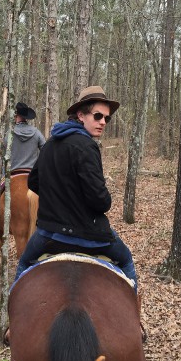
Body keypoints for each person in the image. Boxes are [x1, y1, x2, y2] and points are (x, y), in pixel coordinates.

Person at [16, 86, 138, 292]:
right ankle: (134, 318)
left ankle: (11, 321)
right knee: (126, 261)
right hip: (89, 235)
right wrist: (105, 198)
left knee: (22, 266)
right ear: (80, 115)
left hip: (49, 234)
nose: (102, 122)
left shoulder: (49, 144)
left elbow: (34, 182)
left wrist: (57, 199)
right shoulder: (87, 146)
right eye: (98, 116)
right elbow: (100, 201)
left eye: (106, 119)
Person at [0, 102, 45, 224]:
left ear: (16, 116)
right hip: (32, 174)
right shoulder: (36, 132)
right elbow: (45, 149)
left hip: (12, 173)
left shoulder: (9, 133)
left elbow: (2, 151)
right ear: (26, 117)